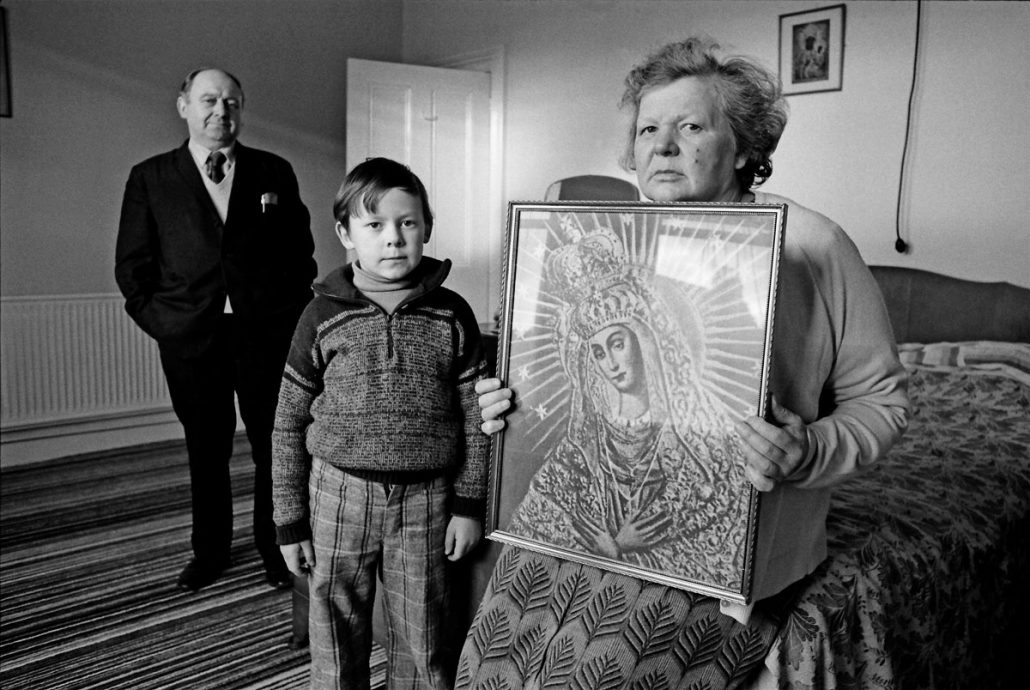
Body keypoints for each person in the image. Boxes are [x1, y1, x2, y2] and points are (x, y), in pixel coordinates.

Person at [476, 36, 909, 615]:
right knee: (490, 655)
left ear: (741, 149)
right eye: (648, 130)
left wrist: (806, 451)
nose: (663, 147)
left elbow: (881, 402)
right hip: (587, 528)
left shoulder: (815, 245)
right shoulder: (616, 246)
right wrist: (510, 400)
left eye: (692, 128)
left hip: (732, 564)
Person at [271, 157, 490, 689]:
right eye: (375, 225)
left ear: (426, 229)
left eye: (407, 223)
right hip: (337, 494)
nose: (393, 239)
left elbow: (477, 418)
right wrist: (289, 520)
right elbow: (287, 423)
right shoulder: (320, 316)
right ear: (346, 234)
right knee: (335, 624)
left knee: (426, 634)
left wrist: (468, 504)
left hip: (428, 500)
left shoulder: (452, 314)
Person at [115, 68, 316, 592]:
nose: (219, 111)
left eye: (230, 101)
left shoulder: (275, 171)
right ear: (183, 105)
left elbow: (300, 255)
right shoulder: (150, 177)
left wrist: (288, 317)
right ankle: (209, 551)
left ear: (241, 108)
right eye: (208, 100)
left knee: (275, 444)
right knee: (206, 446)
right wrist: (165, 326)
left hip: (264, 337)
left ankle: (278, 549)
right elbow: (132, 268)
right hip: (190, 338)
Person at [506, 228, 748, 585]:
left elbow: (722, 530)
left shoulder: (697, 438)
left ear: (646, 342)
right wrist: (608, 546)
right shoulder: (586, 442)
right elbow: (537, 516)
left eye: (618, 344)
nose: (610, 364)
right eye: (599, 352)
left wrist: (623, 548)